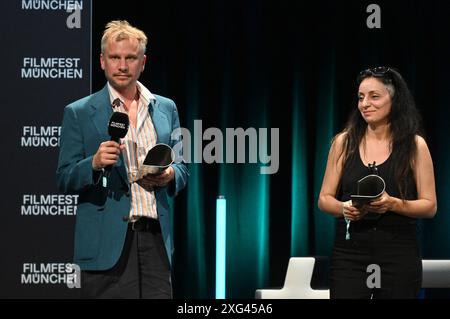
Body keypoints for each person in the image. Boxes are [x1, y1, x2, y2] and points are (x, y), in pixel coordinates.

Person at [56, 20, 188, 298]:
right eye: (115, 58)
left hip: (155, 241)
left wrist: (170, 175)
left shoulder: (165, 108)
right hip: (107, 246)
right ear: (103, 61)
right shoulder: (78, 112)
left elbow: (183, 167)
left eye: (130, 58)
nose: (123, 65)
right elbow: (64, 178)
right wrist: (92, 163)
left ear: (143, 62)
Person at [318, 67, 437, 298]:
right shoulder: (344, 142)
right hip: (350, 254)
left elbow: (429, 206)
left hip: (398, 251)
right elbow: (324, 200)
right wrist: (345, 207)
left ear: (394, 99)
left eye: (374, 96)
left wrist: (392, 204)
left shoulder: (415, 145)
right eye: (361, 97)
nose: (365, 104)